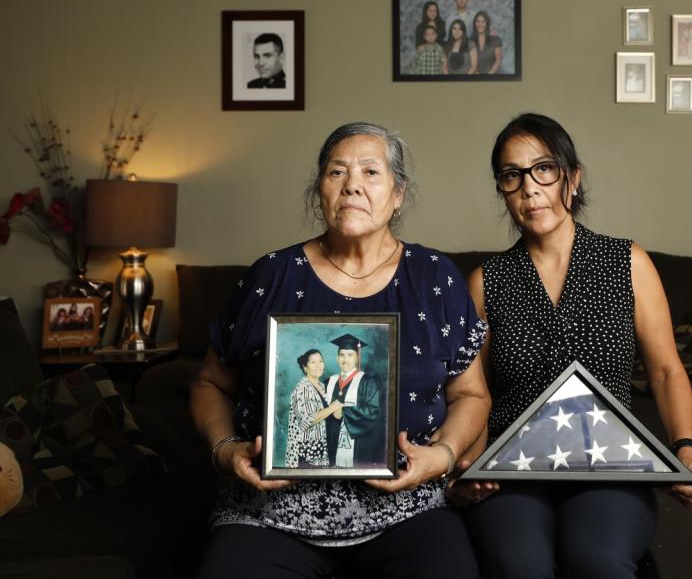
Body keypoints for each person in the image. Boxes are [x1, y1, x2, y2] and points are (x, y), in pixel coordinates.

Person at [191, 121, 489, 578]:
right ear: (320, 191)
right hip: (268, 516)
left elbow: (471, 395)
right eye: (336, 173)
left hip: (406, 513)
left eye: (371, 172)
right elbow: (210, 383)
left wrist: (443, 457)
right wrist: (225, 449)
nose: (352, 184)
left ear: (398, 193)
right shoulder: (270, 275)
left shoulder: (436, 277)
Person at [452, 113, 692, 579]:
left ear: (572, 179)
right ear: (503, 191)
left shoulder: (628, 263)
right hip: (513, 470)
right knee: (520, 565)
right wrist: (472, 464)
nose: (529, 187)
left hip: (609, 466)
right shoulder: (485, 282)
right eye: (512, 176)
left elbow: (666, 371)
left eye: (544, 169)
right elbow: (475, 392)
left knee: (593, 560)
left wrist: (688, 451)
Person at [324, 334, 385, 467]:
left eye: (350, 355)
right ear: (337, 358)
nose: (345, 360)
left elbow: (374, 414)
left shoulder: (368, 383)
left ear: (357, 357)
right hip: (330, 447)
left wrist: (344, 412)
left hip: (357, 449)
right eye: (341, 355)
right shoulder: (328, 382)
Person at [286, 349, 336, 468]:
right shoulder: (302, 388)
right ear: (305, 367)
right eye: (313, 362)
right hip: (305, 451)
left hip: (321, 447)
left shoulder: (322, 386)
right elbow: (307, 420)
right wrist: (335, 406)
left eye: (320, 361)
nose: (318, 365)